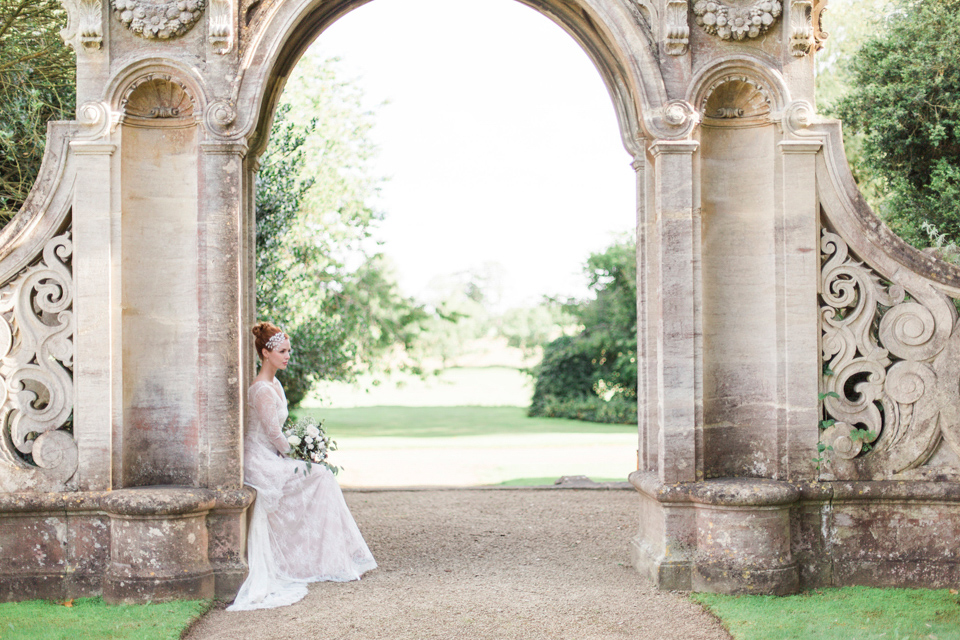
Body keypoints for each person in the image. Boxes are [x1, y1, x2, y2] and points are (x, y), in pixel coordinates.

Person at [228, 322, 377, 611]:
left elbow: (281, 432)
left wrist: (300, 450)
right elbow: (273, 434)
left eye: (289, 350)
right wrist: (299, 455)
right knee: (320, 476)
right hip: (259, 458)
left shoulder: (276, 384)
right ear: (265, 353)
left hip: (274, 454)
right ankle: (313, 558)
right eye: (282, 351)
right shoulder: (260, 390)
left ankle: (325, 556)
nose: (287, 356)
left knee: (321, 477)